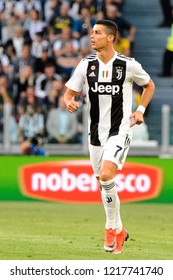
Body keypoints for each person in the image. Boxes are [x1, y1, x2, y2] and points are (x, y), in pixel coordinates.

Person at [64, 19, 155, 254]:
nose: (91, 36)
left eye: (97, 33)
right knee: (102, 183)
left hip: (120, 129)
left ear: (110, 37)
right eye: (91, 32)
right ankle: (119, 228)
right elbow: (69, 93)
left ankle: (109, 228)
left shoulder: (128, 65)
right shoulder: (86, 65)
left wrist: (140, 110)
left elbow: (149, 86)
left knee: (106, 175)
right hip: (95, 133)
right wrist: (69, 101)